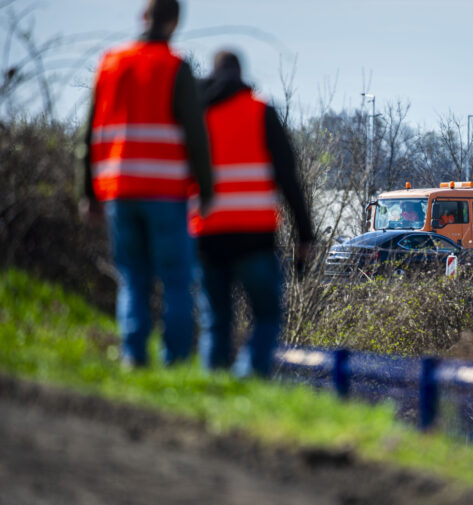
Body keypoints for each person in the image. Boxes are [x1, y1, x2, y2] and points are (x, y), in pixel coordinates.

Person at [76, 0, 213, 367]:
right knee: (175, 282)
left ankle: (133, 358)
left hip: (119, 191)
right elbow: (196, 137)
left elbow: (89, 134)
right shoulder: (175, 67)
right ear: (174, 23)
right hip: (166, 193)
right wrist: (206, 189)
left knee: (133, 279)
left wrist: (88, 192)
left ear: (143, 17)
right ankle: (176, 362)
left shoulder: (110, 64)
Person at [190, 50, 313, 377]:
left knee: (216, 320)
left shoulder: (196, 115)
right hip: (255, 236)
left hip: (207, 234)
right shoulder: (260, 111)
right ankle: (247, 377)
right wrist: (305, 235)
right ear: (241, 74)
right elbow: (289, 177)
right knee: (267, 315)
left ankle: (211, 388)